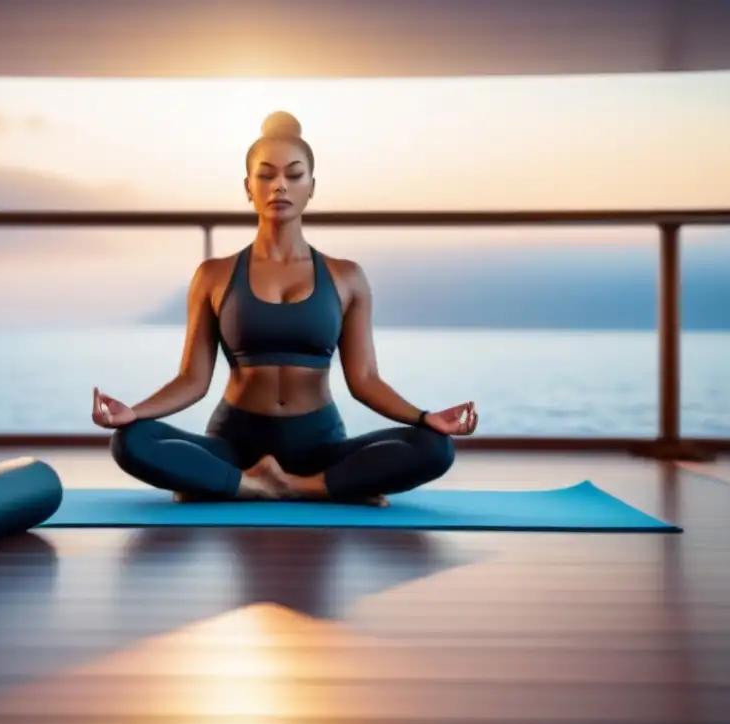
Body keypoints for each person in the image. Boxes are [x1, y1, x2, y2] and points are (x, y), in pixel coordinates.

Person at [93, 111, 478, 506]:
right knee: (131, 441)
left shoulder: (347, 277)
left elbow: (364, 379)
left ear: (312, 187)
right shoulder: (214, 274)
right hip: (235, 444)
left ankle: (280, 485)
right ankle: (266, 481)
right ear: (248, 187)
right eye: (266, 175)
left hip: (319, 447)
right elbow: (193, 379)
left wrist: (423, 417)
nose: (280, 186)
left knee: (436, 447)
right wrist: (133, 412)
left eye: (294, 175)